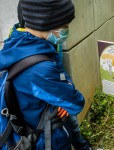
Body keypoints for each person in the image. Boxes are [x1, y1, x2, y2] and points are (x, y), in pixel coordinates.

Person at [0, 0, 91, 149]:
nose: (66, 30)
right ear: (46, 23)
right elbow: (75, 103)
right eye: (65, 26)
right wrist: (63, 91)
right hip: (47, 139)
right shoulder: (40, 69)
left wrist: (59, 93)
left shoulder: (18, 41)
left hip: (31, 117)